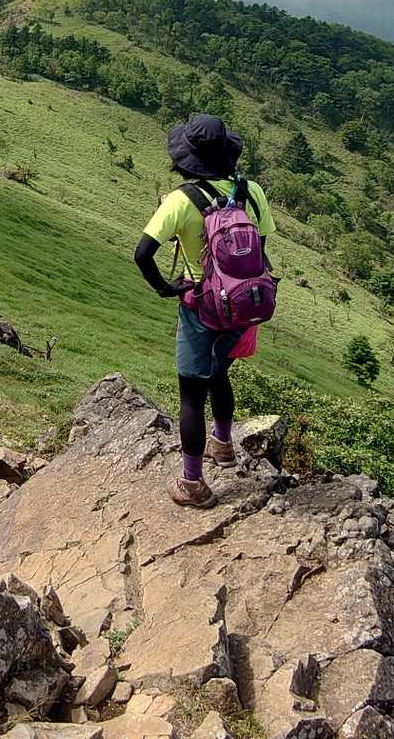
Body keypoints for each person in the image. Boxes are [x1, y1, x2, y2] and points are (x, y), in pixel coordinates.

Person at [132, 114, 276, 507]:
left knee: (191, 396)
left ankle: (192, 483)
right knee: (220, 373)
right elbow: (259, 251)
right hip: (243, 306)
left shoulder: (181, 200)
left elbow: (142, 254)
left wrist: (165, 288)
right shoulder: (251, 192)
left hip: (200, 307)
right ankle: (223, 445)